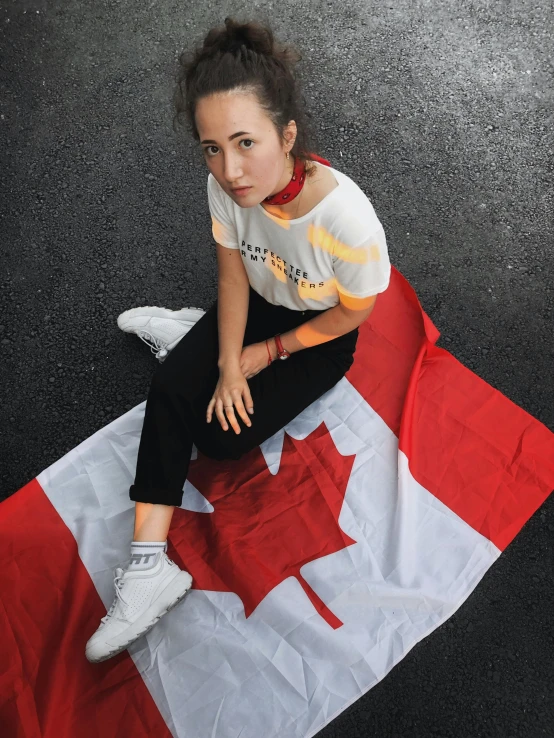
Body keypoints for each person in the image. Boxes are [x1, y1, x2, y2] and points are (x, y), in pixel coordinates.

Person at [85, 16, 391, 664]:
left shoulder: (348, 223)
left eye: (246, 142)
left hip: (313, 335)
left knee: (221, 438)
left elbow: (351, 319)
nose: (229, 168)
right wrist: (226, 363)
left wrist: (266, 354)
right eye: (211, 148)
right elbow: (231, 276)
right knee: (172, 387)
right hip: (253, 304)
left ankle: (193, 339)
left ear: (287, 134)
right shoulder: (225, 188)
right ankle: (149, 569)